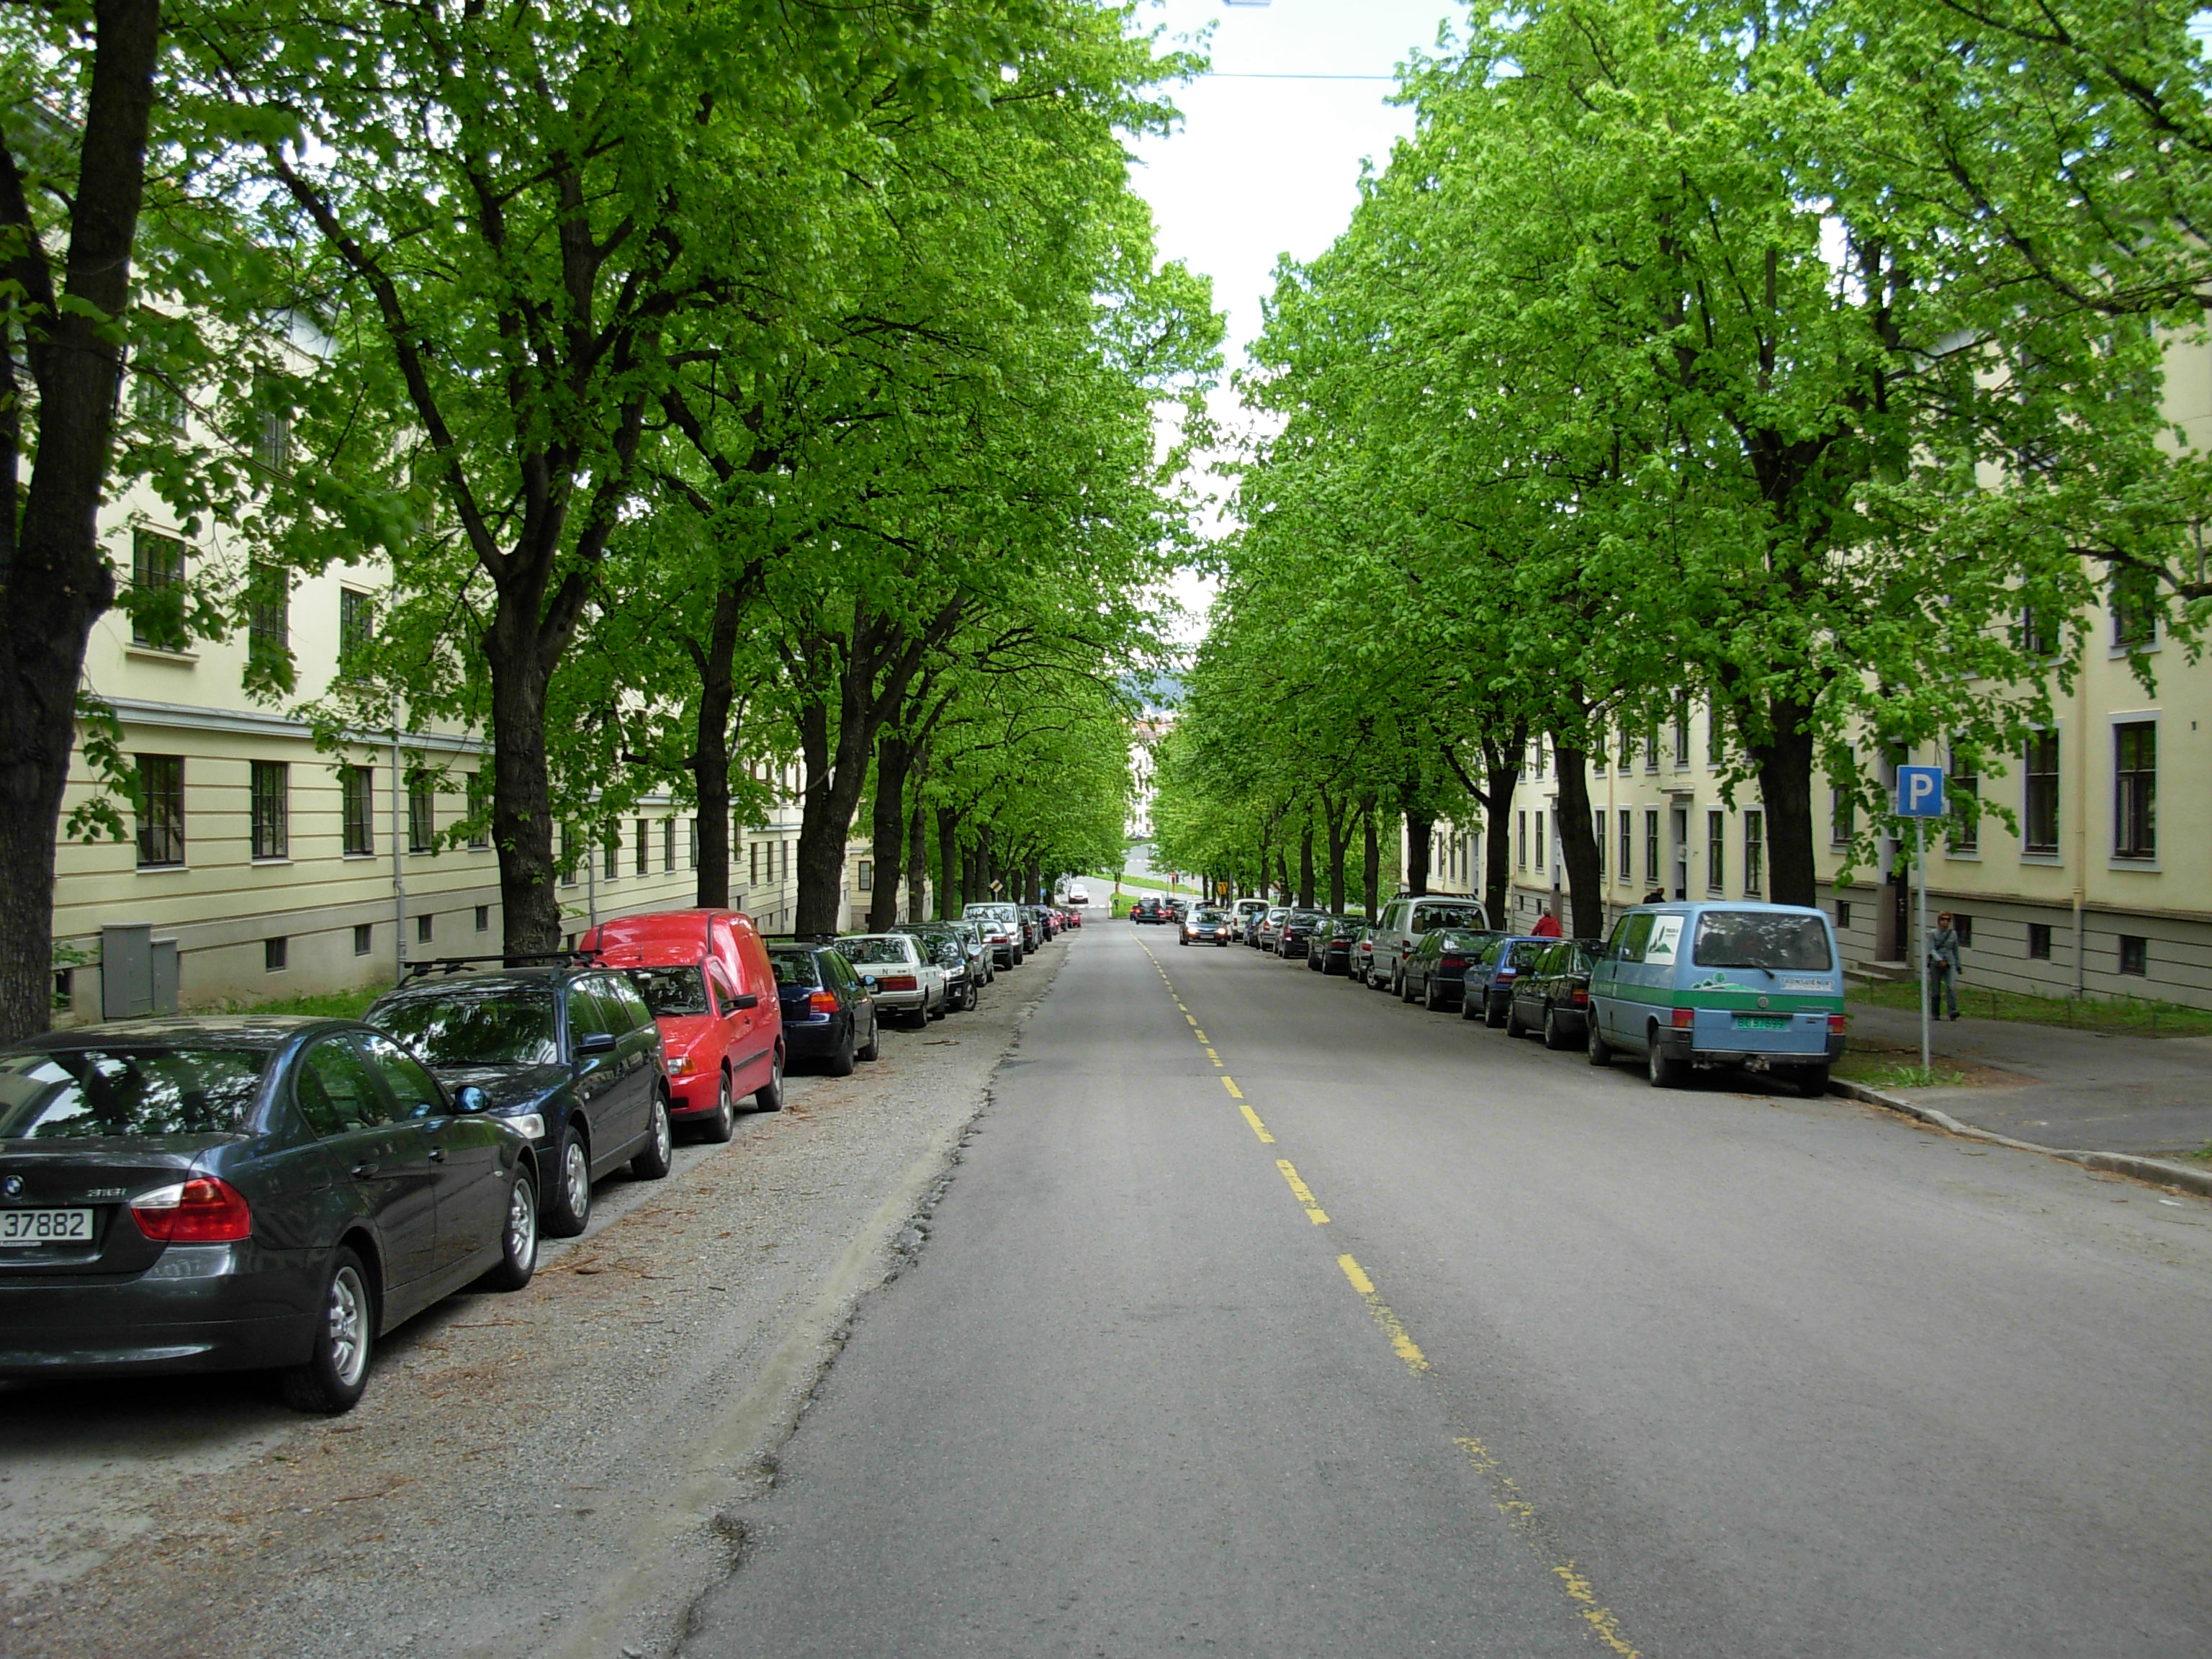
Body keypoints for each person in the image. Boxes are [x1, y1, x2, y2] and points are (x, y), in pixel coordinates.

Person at [1926, 911, 1964, 1020]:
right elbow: (1931, 949)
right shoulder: (1933, 933)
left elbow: (1955, 950)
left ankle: (1952, 1011)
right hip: (1936, 964)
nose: (1945, 922)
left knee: (1951, 987)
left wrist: (1958, 965)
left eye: (1948, 920)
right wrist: (1939, 959)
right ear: (1939, 921)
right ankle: (1935, 1013)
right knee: (1936, 989)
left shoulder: (1953, 934)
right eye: (1943, 919)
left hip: (1949, 963)